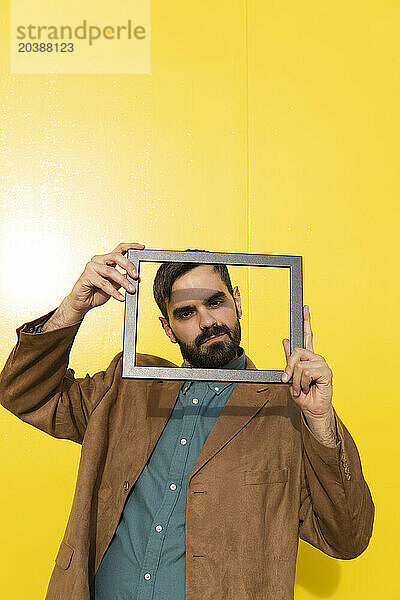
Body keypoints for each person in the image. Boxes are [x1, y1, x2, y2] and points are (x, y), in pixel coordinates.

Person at [0, 241, 375, 600]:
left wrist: (321, 418)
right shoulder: (127, 385)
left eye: (216, 302)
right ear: (168, 328)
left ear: (238, 302)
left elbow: (348, 536)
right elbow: (25, 394)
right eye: (186, 313)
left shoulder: (288, 410)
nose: (208, 321)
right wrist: (73, 307)